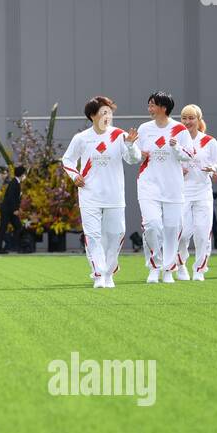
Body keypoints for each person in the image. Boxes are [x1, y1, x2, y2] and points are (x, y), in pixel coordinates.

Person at [61, 95, 141, 288]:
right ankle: (99, 274)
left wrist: (130, 145)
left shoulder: (119, 136)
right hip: (90, 194)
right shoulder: (82, 138)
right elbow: (67, 160)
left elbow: (134, 159)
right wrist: (75, 176)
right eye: (103, 112)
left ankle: (109, 272)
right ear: (92, 115)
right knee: (93, 236)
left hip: (114, 195)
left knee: (117, 233)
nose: (108, 116)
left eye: (110, 112)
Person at [134, 91, 191, 283]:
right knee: (152, 225)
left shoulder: (180, 129)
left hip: (173, 187)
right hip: (148, 184)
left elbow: (189, 155)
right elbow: (135, 156)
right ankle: (154, 267)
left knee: (172, 228)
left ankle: (168, 270)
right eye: (149, 104)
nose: (149, 108)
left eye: (153, 105)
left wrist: (176, 148)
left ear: (163, 107)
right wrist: (134, 151)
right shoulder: (144, 129)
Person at [176, 104, 217, 280]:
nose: (188, 122)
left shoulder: (208, 141)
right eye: (184, 118)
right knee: (183, 233)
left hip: (203, 192)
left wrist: (213, 168)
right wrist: (177, 171)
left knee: (203, 233)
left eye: (191, 118)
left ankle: (199, 270)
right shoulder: (176, 140)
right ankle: (181, 265)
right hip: (181, 193)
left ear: (198, 120)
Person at [0, 165, 24, 254]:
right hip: (7, 210)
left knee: (18, 227)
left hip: (10, 210)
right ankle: (0, 248)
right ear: (22, 174)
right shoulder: (14, 183)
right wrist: (15, 210)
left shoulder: (16, 182)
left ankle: (11, 246)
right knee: (3, 228)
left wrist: (17, 208)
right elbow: (11, 198)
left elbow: (15, 198)